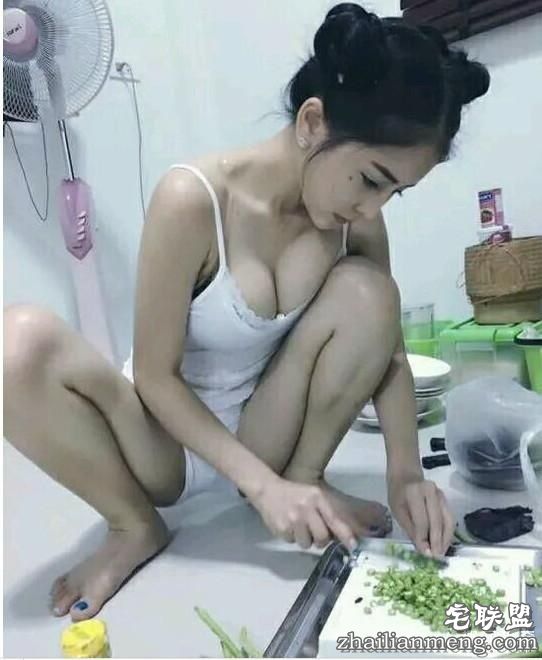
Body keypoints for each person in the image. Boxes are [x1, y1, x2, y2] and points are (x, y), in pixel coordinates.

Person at [4, 3, 490, 622]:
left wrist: (406, 475)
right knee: (14, 344)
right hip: (164, 445)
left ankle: (308, 479)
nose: (374, 208)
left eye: (396, 192)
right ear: (312, 122)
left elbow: (388, 355)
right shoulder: (193, 199)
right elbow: (155, 377)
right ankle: (133, 525)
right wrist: (263, 488)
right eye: (372, 180)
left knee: (373, 293)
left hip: (268, 432)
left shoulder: (356, 223)